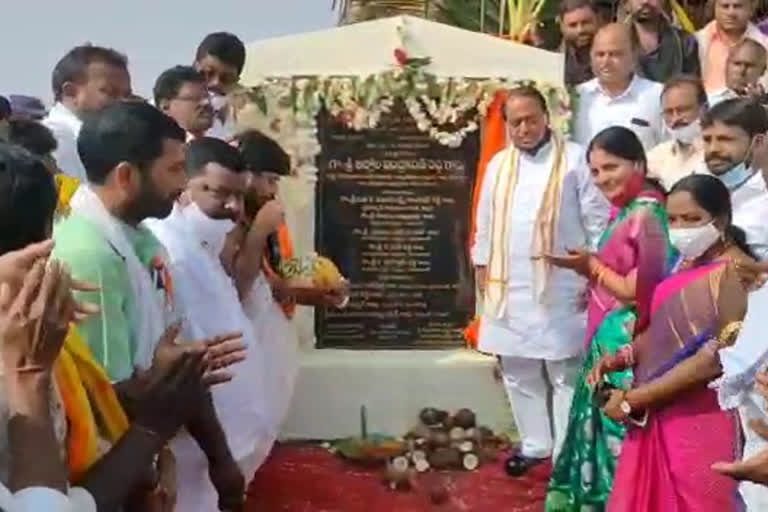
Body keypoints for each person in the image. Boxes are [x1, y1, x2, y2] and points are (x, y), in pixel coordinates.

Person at [0, 142, 244, 511]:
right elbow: (46, 503)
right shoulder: (36, 325)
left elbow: (79, 418)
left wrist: (149, 390)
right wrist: (150, 430)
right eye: (176, 169)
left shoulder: (34, 324)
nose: (183, 184)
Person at [471, 85, 609, 476]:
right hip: (506, 285)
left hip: (562, 284)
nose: (524, 128)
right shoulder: (499, 164)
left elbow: (597, 218)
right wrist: (481, 265)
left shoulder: (576, 159)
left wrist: (595, 271)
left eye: (531, 119)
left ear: (547, 117)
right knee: (517, 369)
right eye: (516, 122)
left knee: (564, 370)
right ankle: (535, 444)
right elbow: (484, 219)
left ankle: (567, 450)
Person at [601, 173, 754, 511]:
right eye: (672, 219)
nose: (681, 227)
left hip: (704, 413)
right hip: (658, 408)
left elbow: (714, 359)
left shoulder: (737, 273)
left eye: (692, 219)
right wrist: (625, 356)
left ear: (721, 220)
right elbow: (664, 331)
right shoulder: (685, 263)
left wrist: (633, 400)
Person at [545, 127, 674, 510]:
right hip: (611, 343)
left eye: (611, 167)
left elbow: (638, 289)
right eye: (596, 172)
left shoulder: (649, 214)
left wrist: (591, 268)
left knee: (619, 443)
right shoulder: (629, 211)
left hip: (631, 347)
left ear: (637, 163)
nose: (603, 179)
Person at [144, 137, 272, 512]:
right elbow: (185, 363)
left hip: (224, 445)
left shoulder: (201, 245)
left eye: (239, 197)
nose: (234, 208)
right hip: (199, 450)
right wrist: (219, 456)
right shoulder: (171, 253)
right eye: (219, 194)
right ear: (183, 187)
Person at [43, 45, 132, 181]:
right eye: (110, 92)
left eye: (126, 95)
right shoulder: (53, 143)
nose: (122, 103)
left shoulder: (108, 141)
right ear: (70, 92)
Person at [573, 23, 664, 152]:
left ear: (633, 55)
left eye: (615, 54)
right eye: (600, 54)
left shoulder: (657, 95)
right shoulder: (576, 97)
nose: (606, 62)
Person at [701, 98, 768, 259]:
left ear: (758, 142)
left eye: (725, 139)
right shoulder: (700, 191)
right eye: (707, 139)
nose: (713, 149)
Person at [647, 75, 708, 189]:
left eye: (683, 110)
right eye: (669, 112)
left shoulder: (716, 153)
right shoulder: (655, 158)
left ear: (704, 108)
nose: (675, 119)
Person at [696, 0, 768, 94]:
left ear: (751, 8)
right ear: (714, 7)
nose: (731, 13)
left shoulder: (765, 45)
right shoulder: (696, 42)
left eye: (737, 6)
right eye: (725, 6)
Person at [626, 0, 700, 82]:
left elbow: (692, 88)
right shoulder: (614, 43)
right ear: (627, 3)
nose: (645, 1)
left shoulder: (686, 42)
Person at [194, 32, 246, 140]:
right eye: (208, 73)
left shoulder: (247, 117)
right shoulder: (164, 110)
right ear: (195, 66)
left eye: (226, 79)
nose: (215, 83)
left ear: (236, 80)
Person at [153, 66, 214, 141]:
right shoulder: (157, 149)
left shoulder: (224, 143)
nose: (206, 102)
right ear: (165, 107)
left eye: (207, 96)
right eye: (195, 98)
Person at [708, 38, 768, 106]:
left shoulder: (764, 105)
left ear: (763, 71)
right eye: (737, 64)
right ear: (727, 65)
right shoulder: (708, 103)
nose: (742, 71)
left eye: (749, 65)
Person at [559, 0, 600, 87]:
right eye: (573, 25)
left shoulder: (618, 56)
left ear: (598, 20)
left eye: (586, 23)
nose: (580, 30)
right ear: (562, 27)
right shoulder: (554, 63)